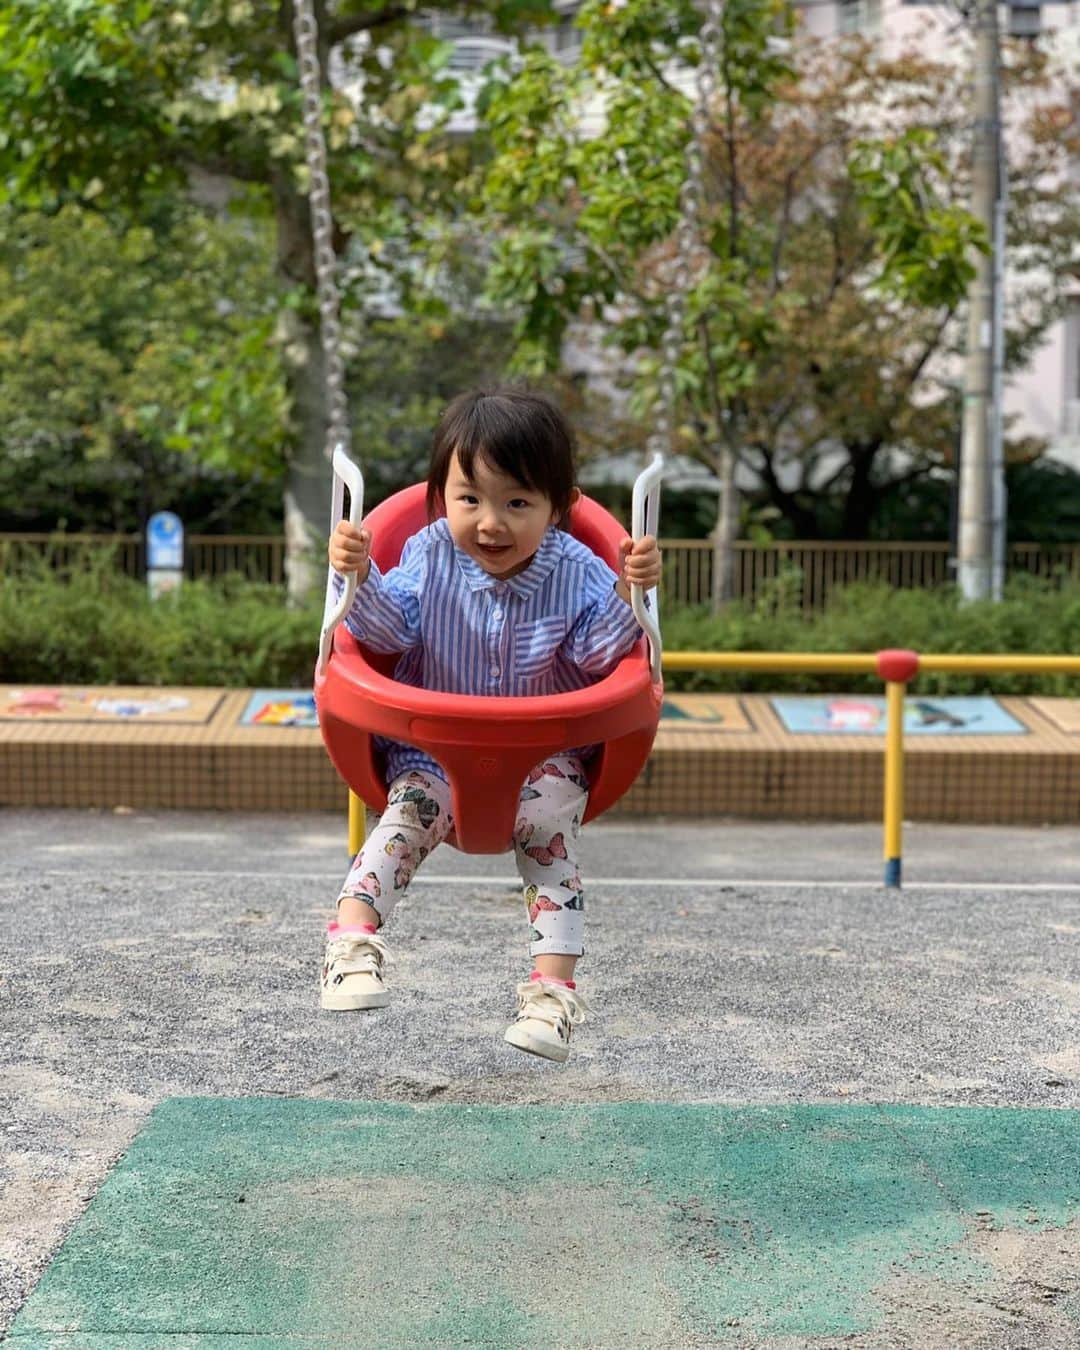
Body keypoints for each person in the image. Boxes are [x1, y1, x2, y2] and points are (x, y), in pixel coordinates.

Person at [320, 386, 661, 1063]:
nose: (491, 523)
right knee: (406, 819)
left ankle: (550, 998)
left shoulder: (576, 568)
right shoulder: (426, 552)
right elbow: (390, 632)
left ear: (557, 509)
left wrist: (632, 592)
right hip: (433, 751)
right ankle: (351, 947)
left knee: (549, 839)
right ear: (439, 497)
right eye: (470, 500)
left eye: (517, 503)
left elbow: (600, 653)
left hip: (545, 756)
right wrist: (357, 578)